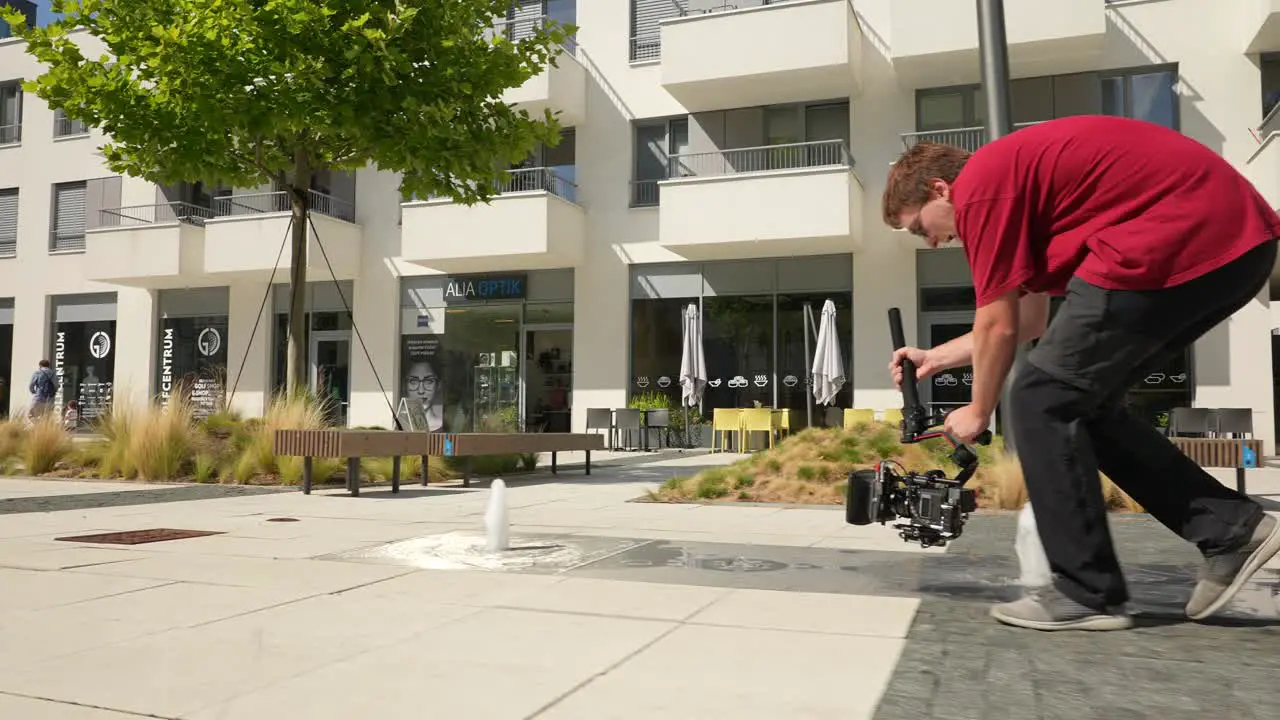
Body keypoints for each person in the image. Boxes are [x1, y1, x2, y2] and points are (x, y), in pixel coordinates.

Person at [881, 114, 1280, 632]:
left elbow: (998, 325)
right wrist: (936, 358)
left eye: (919, 227)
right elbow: (1028, 319)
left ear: (940, 188)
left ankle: (1087, 593)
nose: (931, 242)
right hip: (1232, 245)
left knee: (1040, 398)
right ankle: (1230, 531)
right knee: (1076, 405)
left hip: (1180, 235)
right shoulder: (1016, 189)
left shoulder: (981, 187)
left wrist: (979, 411)